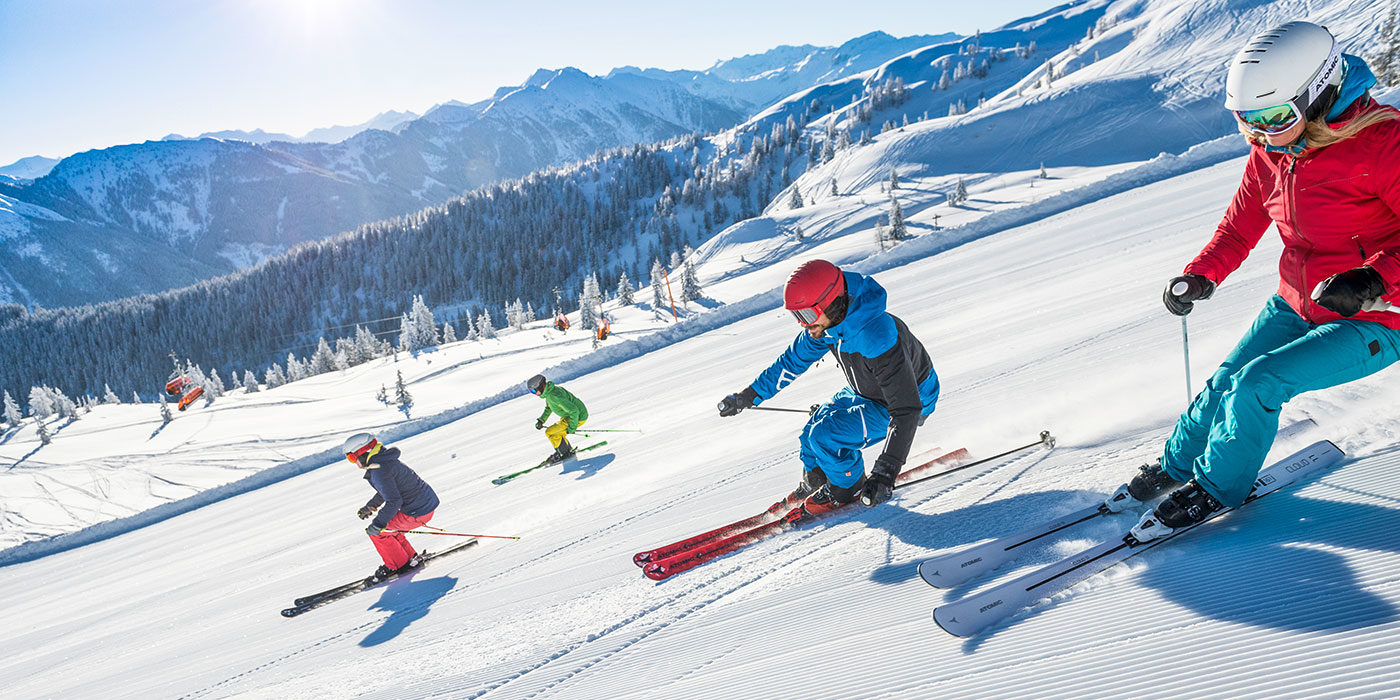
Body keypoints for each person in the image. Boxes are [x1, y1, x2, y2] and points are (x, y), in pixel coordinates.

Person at [1120, 22, 1400, 541]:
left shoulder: (1384, 143)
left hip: (1377, 317)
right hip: (1296, 301)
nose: (1260, 133)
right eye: (1247, 121)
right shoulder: (1273, 150)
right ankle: (1176, 465)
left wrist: (1372, 280)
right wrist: (1202, 274)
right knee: (1226, 379)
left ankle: (1216, 488)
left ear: (1317, 94)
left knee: (1259, 383)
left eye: (1273, 118)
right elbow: (1241, 223)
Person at [717, 259, 940, 510]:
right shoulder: (827, 325)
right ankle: (819, 478)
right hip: (867, 392)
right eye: (797, 316)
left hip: (908, 400)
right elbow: (792, 362)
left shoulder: (875, 334)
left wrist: (885, 473)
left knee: (825, 436)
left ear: (831, 302)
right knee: (810, 431)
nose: (804, 324)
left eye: (807, 314)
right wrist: (749, 395)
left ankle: (847, 487)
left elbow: (907, 408)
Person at [343, 432, 441, 582]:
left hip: (417, 511)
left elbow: (394, 500)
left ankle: (396, 565)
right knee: (391, 529)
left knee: (378, 532)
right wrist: (370, 507)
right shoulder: (383, 462)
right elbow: (388, 491)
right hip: (424, 506)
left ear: (363, 452)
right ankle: (409, 558)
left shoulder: (379, 470)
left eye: (351, 457)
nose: (354, 462)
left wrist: (378, 524)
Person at [526, 374, 589, 464]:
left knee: (551, 432)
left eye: (533, 391)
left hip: (578, 417)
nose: (534, 394)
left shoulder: (554, 396)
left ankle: (564, 453)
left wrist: (572, 427)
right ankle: (565, 451)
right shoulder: (549, 393)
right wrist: (541, 420)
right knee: (554, 432)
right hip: (571, 416)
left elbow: (574, 411)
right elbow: (549, 407)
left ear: (540, 387)